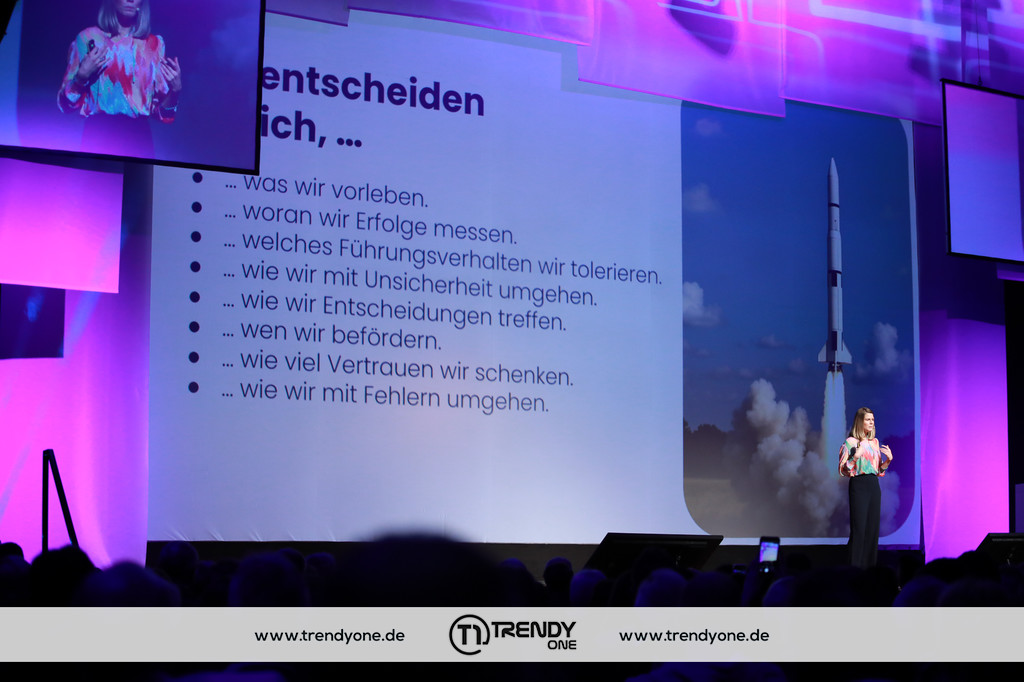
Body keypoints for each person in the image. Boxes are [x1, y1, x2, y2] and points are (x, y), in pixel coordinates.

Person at [58, 0, 182, 154]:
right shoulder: (88, 38)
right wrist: (80, 78)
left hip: (138, 138)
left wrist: (175, 91)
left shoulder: (154, 44)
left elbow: (164, 115)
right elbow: (65, 105)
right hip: (98, 135)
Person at [838, 407, 892, 568]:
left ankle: (869, 569)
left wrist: (888, 461)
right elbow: (843, 470)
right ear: (860, 421)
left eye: (872, 419)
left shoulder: (874, 442)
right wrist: (855, 457)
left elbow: (878, 470)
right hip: (859, 485)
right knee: (859, 529)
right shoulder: (850, 442)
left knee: (872, 530)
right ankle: (854, 569)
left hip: (873, 485)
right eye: (868, 419)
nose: (871, 422)